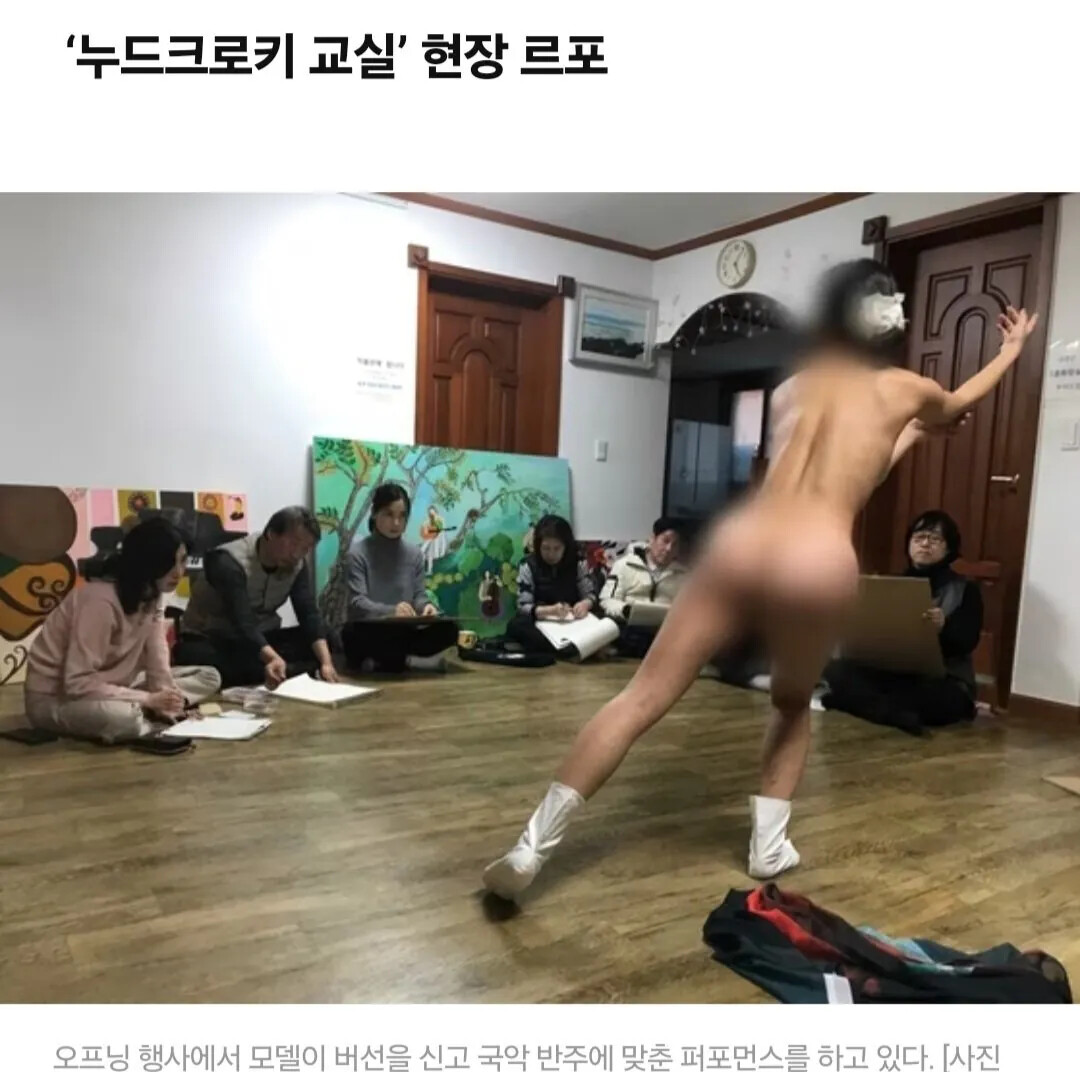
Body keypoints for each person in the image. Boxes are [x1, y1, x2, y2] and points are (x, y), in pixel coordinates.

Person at [482, 258, 1039, 900]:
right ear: (889, 324)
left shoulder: (793, 389)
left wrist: (913, 431)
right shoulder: (905, 387)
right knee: (792, 703)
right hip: (816, 560)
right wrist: (1010, 350)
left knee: (639, 697)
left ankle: (529, 849)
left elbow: (848, 461)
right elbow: (951, 411)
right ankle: (768, 847)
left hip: (743, 543)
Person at [23, 517, 221, 743]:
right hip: (57, 699)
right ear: (146, 563)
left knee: (209, 676)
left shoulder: (153, 594)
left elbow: (157, 656)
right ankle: (142, 716)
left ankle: (147, 712)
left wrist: (168, 701)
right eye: (169, 563)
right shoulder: (100, 601)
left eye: (182, 561)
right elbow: (76, 683)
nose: (178, 572)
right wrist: (148, 699)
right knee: (125, 719)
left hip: (115, 687)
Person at [822, 510, 983, 733]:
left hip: (942, 678)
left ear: (949, 548)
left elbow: (967, 641)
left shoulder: (965, 590)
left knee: (941, 698)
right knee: (836, 670)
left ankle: (860, 706)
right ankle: (889, 714)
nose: (925, 544)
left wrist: (944, 627)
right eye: (919, 537)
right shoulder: (893, 584)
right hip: (894, 670)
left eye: (934, 539)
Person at [173, 506, 337, 689]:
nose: (296, 554)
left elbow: (308, 613)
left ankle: (286, 670)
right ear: (271, 534)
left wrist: (326, 663)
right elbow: (243, 622)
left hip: (261, 638)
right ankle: (290, 670)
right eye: (293, 543)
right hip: (214, 637)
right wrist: (272, 658)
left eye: (305, 548)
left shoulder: (296, 564)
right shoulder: (227, 561)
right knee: (208, 659)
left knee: (327, 638)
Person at [342, 483, 459, 672]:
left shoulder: (415, 554)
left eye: (402, 516)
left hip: (404, 631)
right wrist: (391, 611)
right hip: (372, 631)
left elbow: (419, 595)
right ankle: (411, 661)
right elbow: (357, 602)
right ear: (374, 513)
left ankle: (390, 662)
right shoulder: (358, 553)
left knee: (450, 629)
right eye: (389, 514)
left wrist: (426, 607)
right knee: (353, 635)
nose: (396, 523)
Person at [505, 514, 597, 655]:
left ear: (566, 546)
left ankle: (564, 649)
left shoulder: (578, 563)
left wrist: (585, 604)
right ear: (538, 546)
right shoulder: (528, 565)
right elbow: (523, 606)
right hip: (541, 623)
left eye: (557, 548)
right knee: (516, 626)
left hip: (573, 621)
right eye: (546, 548)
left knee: (608, 622)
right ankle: (570, 649)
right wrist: (549, 610)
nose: (551, 554)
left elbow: (590, 594)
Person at [599, 517, 688, 657]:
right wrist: (625, 610)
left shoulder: (684, 575)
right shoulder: (624, 565)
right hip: (629, 630)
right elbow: (607, 600)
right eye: (665, 541)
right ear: (652, 539)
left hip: (664, 634)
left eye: (675, 544)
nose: (669, 549)